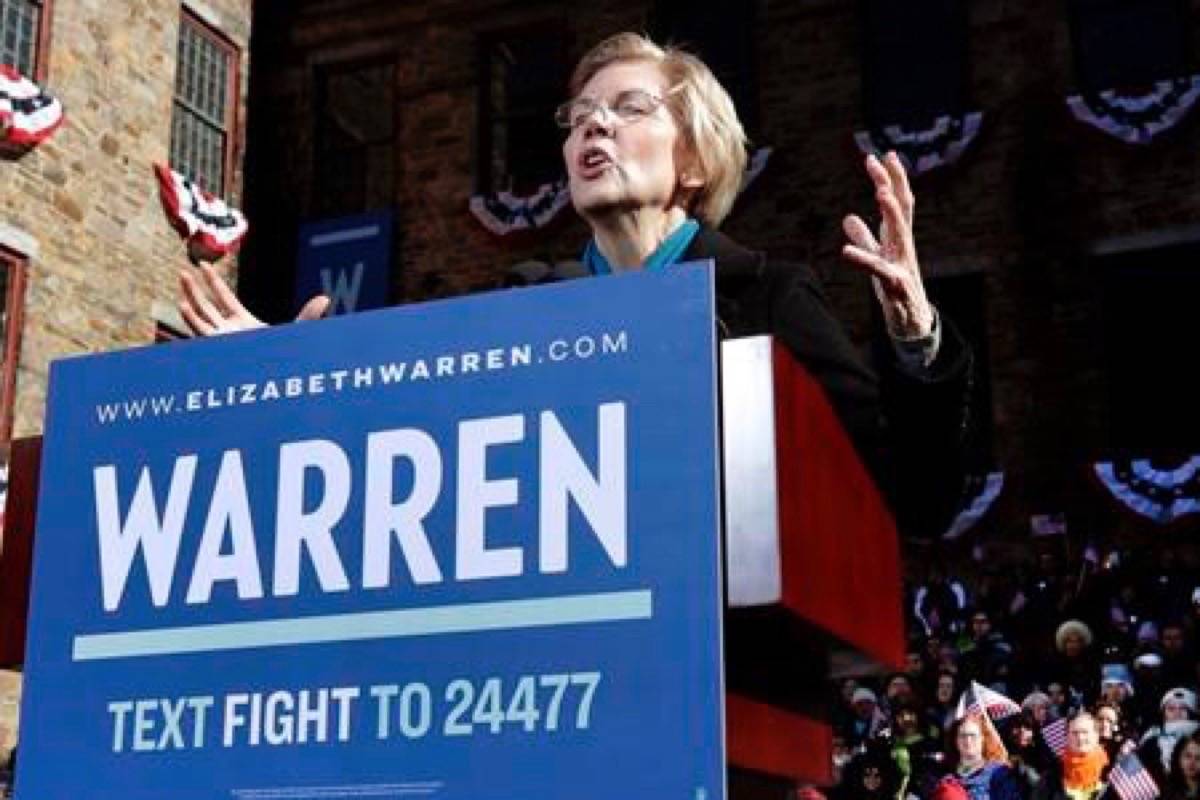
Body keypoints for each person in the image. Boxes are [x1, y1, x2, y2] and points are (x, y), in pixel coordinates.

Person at [178, 32, 976, 540]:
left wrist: (915, 335)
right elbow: (408, 430)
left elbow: (917, 497)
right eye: (579, 115)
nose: (592, 126)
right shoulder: (521, 303)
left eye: (629, 109)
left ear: (694, 161)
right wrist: (282, 368)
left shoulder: (767, 297)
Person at [945, 715, 1024, 800]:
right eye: (963, 735)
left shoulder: (999, 773)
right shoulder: (945, 773)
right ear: (955, 740)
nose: (968, 740)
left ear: (983, 738)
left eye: (973, 735)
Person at [1034, 712, 1110, 800]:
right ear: (1067, 737)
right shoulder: (1052, 776)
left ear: (1096, 736)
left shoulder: (1110, 773)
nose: (1080, 738)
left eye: (1085, 732)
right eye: (1075, 733)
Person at [1164, 731, 1200, 800]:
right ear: (1179, 757)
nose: (1192, 762)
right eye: (1188, 756)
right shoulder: (1168, 791)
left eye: (1198, 758)